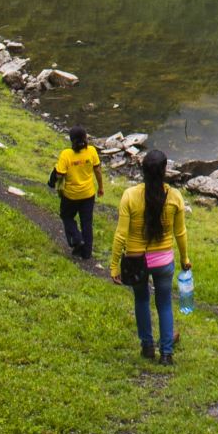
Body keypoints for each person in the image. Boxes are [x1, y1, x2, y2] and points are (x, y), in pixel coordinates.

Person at [110, 148, 190, 364]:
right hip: (164, 261)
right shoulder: (174, 197)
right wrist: (184, 258)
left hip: (136, 260)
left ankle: (147, 346)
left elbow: (121, 234)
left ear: (142, 170)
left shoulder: (130, 195)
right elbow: (180, 233)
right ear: (164, 171)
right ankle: (166, 354)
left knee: (141, 299)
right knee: (164, 303)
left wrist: (114, 265)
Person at [49, 126, 103, 259]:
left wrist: (56, 187)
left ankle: (77, 239)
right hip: (88, 194)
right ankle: (87, 253)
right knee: (87, 222)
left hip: (70, 195)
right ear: (85, 138)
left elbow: (60, 174)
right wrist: (101, 187)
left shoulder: (66, 154)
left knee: (67, 217)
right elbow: (98, 171)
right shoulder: (91, 151)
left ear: (71, 140)